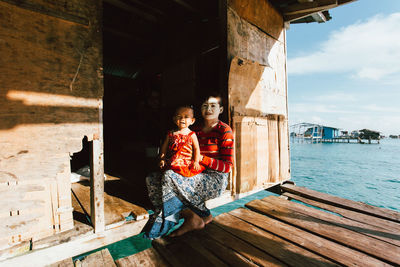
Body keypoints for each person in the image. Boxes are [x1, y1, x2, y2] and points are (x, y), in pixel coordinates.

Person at [144, 93, 234, 239]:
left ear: (221, 110)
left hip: (214, 178)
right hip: (192, 171)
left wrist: (201, 158)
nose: (208, 109)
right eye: (205, 106)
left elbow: (228, 167)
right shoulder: (193, 130)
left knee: (169, 176)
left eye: (213, 106)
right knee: (152, 179)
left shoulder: (225, 131)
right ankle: (191, 216)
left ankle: (193, 215)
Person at [159, 105, 205, 177]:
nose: (182, 119)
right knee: (168, 174)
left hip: (186, 163)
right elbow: (164, 148)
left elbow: (196, 149)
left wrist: (196, 162)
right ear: (174, 119)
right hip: (172, 162)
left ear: (192, 121)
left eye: (186, 117)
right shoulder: (171, 134)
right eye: (179, 116)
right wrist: (162, 159)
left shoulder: (192, 134)